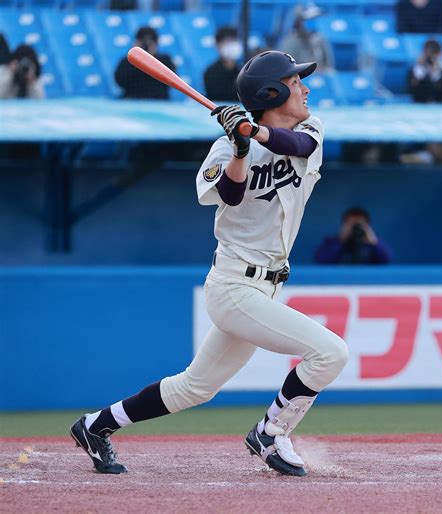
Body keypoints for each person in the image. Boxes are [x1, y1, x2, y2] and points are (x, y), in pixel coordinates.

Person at [70, 50, 349, 478]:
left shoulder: (310, 129)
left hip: (268, 286)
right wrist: (239, 148)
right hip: (234, 287)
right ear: (272, 92)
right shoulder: (224, 147)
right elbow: (232, 195)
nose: (305, 88)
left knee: (194, 388)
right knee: (330, 353)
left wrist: (252, 131)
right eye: (295, 83)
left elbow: (297, 145)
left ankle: (94, 426)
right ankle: (271, 432)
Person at [405, 39, 442, 165]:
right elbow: (412, 91)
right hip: (419, 112)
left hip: (440, 114)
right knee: (432, 143)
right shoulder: (416, 71)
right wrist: (421, 70)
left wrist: (435, 72)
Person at [315, 207, 392, 264]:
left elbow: (387, 259)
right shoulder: (332, 242)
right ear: (343, 225)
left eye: (359, 224)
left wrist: (373, 242)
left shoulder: (373, 243)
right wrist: (341, 240)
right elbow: (321, 259)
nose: (354, 228)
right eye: (350, 224)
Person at [115, 26, 175, 99]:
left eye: (150, 43)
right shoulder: (127, 61)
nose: (146, 46)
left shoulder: (165, 60)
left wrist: (152, 59)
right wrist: (137, 57)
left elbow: (171, 83)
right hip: (132, 99)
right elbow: (120, 81)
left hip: (158, 100)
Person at [280, 5, 334, 72]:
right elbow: (287, 68)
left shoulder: (321, 40)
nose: (312, 23)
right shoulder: (290, 42)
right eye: (309, 20)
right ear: (299, 22)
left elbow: (329, 65)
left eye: (314, 19)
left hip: (320, 79)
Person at [204, 26, 242, 102]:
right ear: (218, 45)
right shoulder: (210, 72)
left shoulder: (243, 70)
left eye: (234, 41)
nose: (231, 46)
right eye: (227, 42)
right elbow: (216, 97)